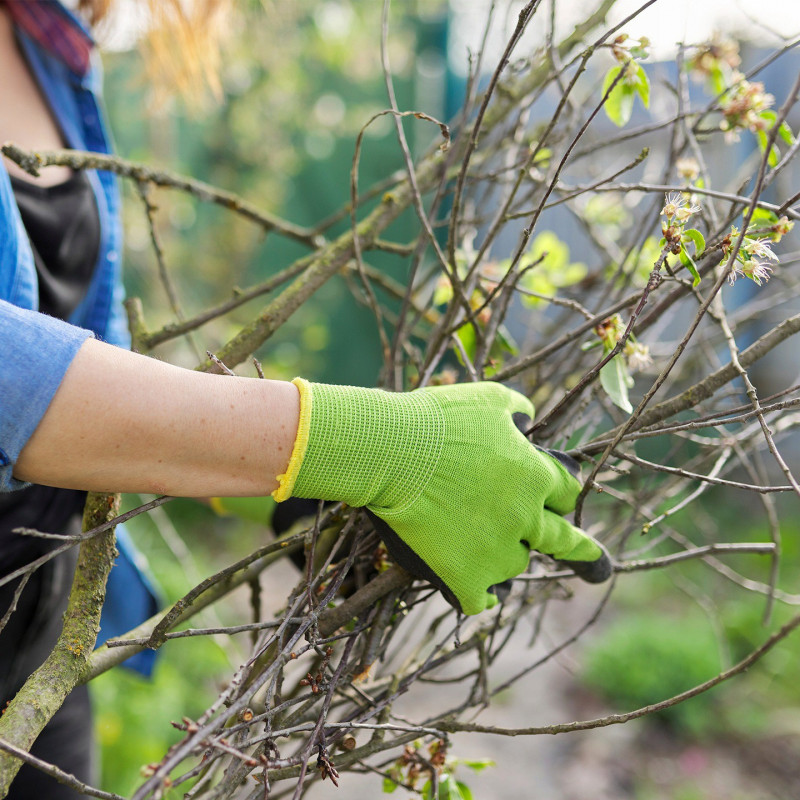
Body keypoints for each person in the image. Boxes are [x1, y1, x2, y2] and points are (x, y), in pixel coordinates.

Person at [0, 2, 610, 797]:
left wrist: (277, 493)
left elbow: (86, 353)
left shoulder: (52, 43)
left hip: (37, 671)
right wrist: (355, 443)